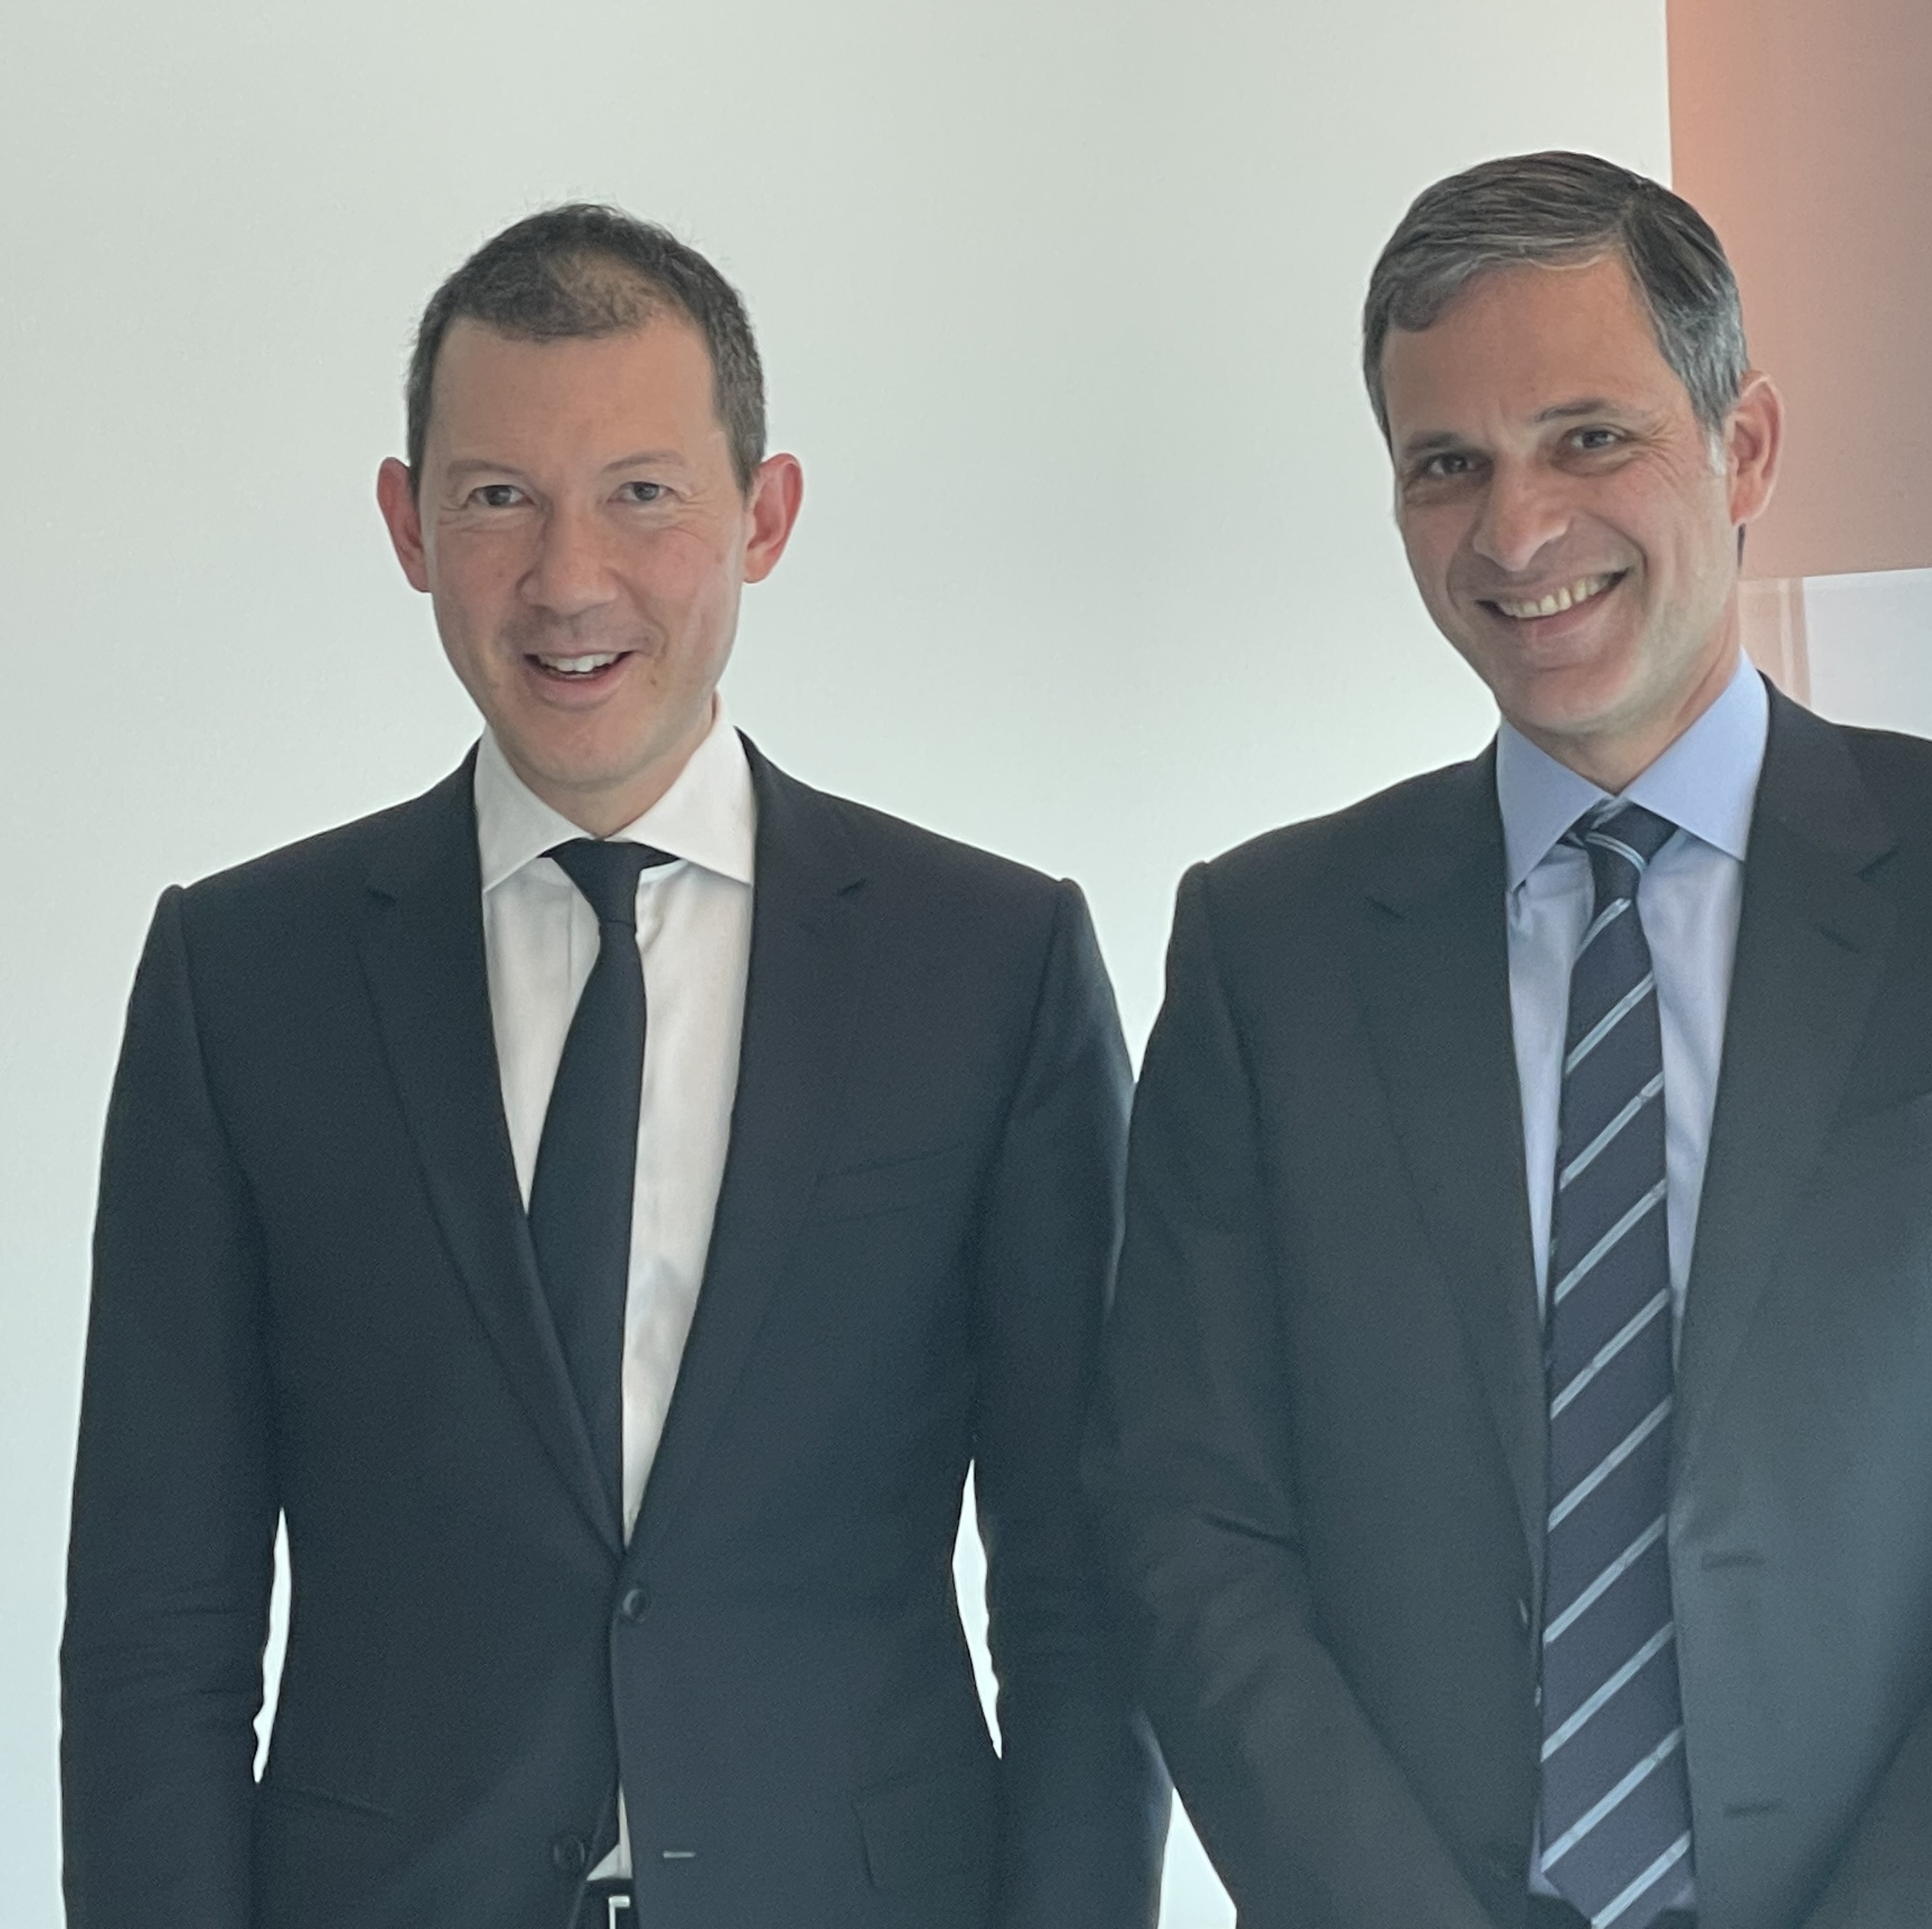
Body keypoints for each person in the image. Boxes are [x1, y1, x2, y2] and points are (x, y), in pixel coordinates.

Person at [1089, 151, 1932, 1929]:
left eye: (1590, 439)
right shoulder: (1269, 946)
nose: (1518, 531)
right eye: (1445, 465)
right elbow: (1188, 1521)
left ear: (1744, 446)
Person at [62, 204, 1166, 1929]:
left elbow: (1086, 1594)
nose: (569, 580)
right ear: (408, 524)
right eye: (498, 497)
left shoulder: (991, 967)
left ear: (765, 514)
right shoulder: (243, 977)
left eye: (643, 494)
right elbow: (156, 1617)